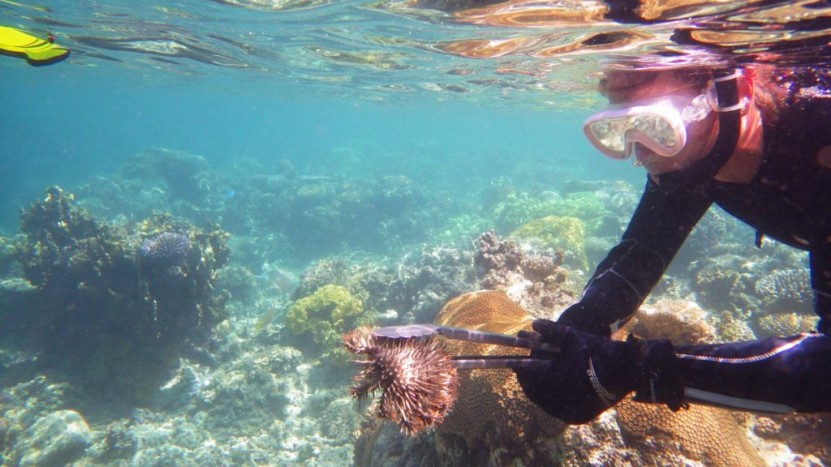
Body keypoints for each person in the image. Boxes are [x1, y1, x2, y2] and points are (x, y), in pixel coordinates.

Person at [513, 62, 831, 424]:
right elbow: (646, 248)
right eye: (621, 131)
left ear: (734, 94)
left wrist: (640, 370)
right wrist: (585, 323)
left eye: (657, 126)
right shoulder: (694, 158)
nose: (642, 153)